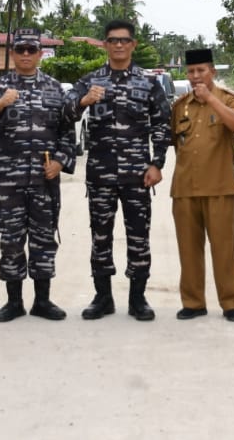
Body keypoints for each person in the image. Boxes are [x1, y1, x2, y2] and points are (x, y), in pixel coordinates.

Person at [68, 20, 172, 322]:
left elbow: (161, 125)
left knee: (139, 236)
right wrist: (83, 101)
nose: (118, 45)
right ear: (104, 44)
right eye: (112, 40)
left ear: (133, 45)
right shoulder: (91, 80)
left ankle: (138, 298)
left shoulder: (148, 82)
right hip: (101, 175)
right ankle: (103, 298)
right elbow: (65, 109)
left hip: (137, 175)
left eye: (124, 40)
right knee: (100, 236)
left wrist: (158, 163)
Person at [0, 28, 77, 323]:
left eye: (30, 50)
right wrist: (2, 103)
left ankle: (43, 301)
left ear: (39, 54)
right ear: (12, 53)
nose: (25, 55)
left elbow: (68, 132)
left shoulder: (55, 89)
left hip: (44, 180)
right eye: (19, 49)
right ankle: (14, 301)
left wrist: (60, 161)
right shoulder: (0, 86)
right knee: (11, 238)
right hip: (10, 179)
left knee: (43, 238)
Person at [170, 48, 234, 322]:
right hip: (185, 188)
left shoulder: (227, 100)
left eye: (201, 70)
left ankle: (230, 303)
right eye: (191, 71)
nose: (195, 76)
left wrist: (211, 100)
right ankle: (193, 302)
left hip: (219, 188)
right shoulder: (180, 106)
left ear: (213, 71)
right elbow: (173, 143)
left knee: (223, 249)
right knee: (188, 249)